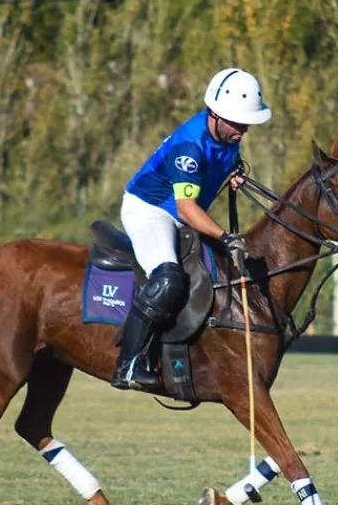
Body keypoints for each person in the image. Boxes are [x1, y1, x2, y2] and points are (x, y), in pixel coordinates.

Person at [110, 68, 272, 391]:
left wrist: (232, 173)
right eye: (238, 123)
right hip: (151, 210)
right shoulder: (190, 148)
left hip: (183, 215)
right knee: (168, 277)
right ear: (215, 114)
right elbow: (186, 208)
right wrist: (225, 236)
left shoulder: (227, 134)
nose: (244, 130)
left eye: (247, 123)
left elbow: (217, 167)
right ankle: (127, 365)